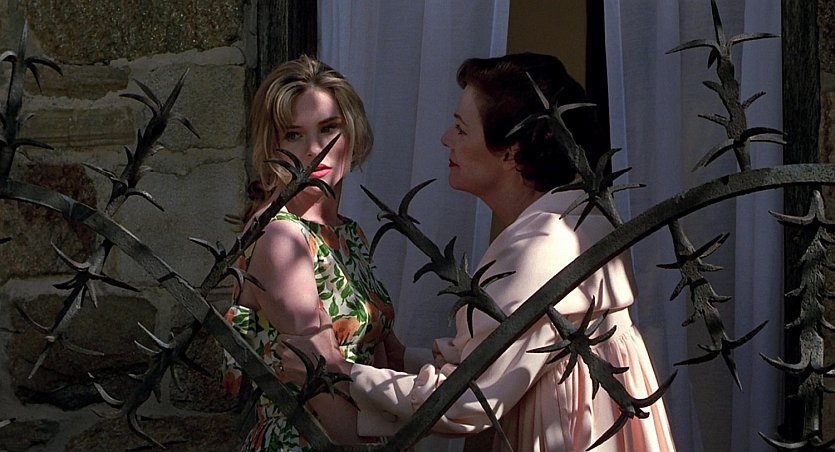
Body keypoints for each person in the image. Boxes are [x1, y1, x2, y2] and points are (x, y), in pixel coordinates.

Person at [277, 53, 676, 451]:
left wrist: (339, 371)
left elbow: (470, 400)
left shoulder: (545, 243)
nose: (446, 139)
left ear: (511, 151)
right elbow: (506, 357)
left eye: (461, 129)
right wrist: (403, 360)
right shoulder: (573, 214)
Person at [221, 55, 404, 451]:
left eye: (328, 128)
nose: (314, 149)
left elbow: (387, 356)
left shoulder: (348, 232)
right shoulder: (280, 236)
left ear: (352, 131)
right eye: (293, 135)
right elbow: (317, 388)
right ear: (272, 146)